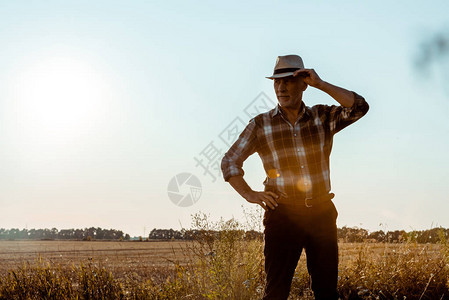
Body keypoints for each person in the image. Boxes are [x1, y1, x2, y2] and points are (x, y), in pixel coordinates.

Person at [221, 54, 369, 299]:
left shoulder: (322, 117)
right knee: (276, 292)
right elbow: (230, 161)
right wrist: (250, 194)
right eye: (277, 82)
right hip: (282, 215)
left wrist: (321, 84)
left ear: (303, 83)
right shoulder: (261, 124)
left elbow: (359, 107)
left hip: (321, 212)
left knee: (326, 291)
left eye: (289, 80)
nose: (281, 87)